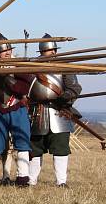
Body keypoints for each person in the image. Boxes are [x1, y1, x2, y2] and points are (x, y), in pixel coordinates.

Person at [28, 34, 82, 187]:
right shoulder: (31, 66)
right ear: (42, 52)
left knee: (60, 148)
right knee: (35, 149)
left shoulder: (64, 65)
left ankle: (61, 181)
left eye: (54, 50)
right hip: (37, 111)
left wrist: (64, 98)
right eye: (49, 50)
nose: (52, 53)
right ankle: (31, 181)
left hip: (59, 112)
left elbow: (74, 87)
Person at [0, 33, 33, 186]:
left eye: (9, 50)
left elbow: (26, 86)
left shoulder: (19, 66)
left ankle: (23, 178)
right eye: (3, 51)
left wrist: (10, 81)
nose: (7, 53)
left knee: (22, 141)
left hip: (17, 108)